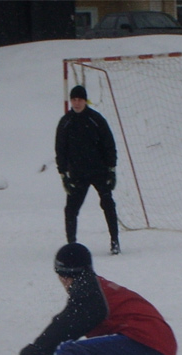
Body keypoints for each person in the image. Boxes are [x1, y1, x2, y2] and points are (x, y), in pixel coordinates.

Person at [2, 243, 177, 355]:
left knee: (71, 352)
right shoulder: (99, 287)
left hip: (145, 347)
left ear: (65, 276)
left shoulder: (88, 291)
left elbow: (64, 327)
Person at [55, 85, 120, 255]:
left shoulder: (95, 119)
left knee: (108, 204)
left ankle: (115, 242)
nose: (77, 103)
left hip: (99, 171)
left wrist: (111, 169)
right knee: (71, 210)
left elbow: (109, 144)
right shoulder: (66, 122)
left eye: (80, 99)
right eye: (74, 100)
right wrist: (63, 174)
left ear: (85, 100)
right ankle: (71, 245)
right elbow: (60, 149)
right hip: (77, 174)